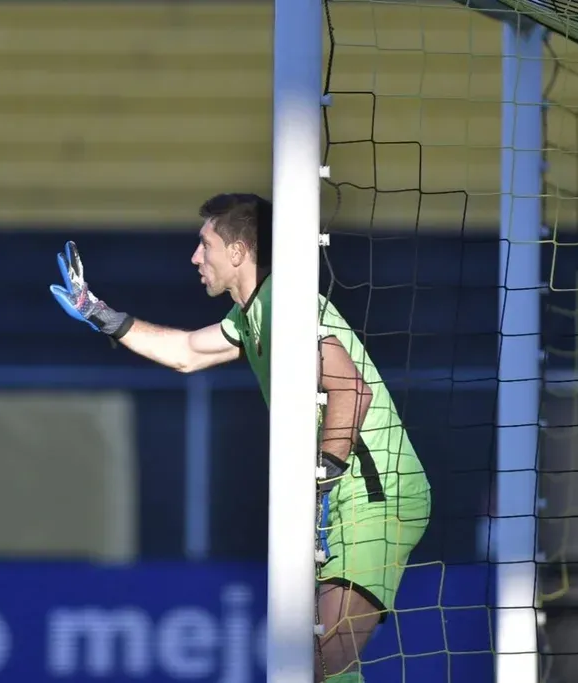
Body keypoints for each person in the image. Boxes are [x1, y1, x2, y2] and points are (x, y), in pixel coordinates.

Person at [50, 192, 431, 683]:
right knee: (323, 668)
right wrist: (97, 312)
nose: (195, 257)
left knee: (317, 663)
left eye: (204, 244)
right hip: (345, 499)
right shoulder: (253, 313)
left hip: (375, 498)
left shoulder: (284, 303)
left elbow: (352, 391)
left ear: (237, 251)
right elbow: (188, 352)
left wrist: (322, 480)